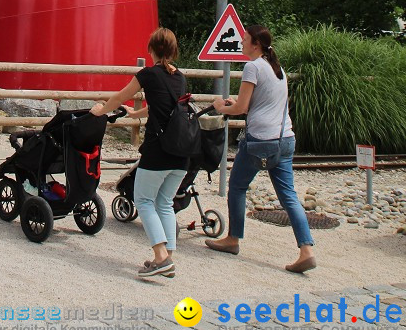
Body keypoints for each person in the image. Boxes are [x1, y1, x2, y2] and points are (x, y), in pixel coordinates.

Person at [205, 24, 316, 273]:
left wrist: (220, 106)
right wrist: (238, 102)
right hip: (285, 138)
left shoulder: (252, 66)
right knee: (289, 196)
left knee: (237, 187)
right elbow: (263, 102)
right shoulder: (277, 69)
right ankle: (306, 250)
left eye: (244, 40)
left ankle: (233, 239)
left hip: (260, 141)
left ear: (256, 44)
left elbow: (242, 108)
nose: (241, 43)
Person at [90, 27, 190, 278]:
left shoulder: (148, 74)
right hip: (182, 153)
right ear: (174, 50)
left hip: (159, 150)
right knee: (165, 203)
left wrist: (100, 111)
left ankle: (159, 256)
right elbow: (167, 107)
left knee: (143, 200)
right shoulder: (180, 77)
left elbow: (121, 96)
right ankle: (168, 258)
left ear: (151, 49)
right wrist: (136, 114)